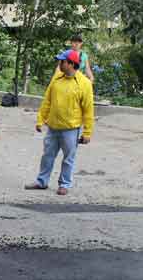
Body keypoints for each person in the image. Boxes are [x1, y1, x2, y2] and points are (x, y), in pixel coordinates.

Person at [25, 49, 95, 196]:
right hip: (52, 127)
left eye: (62, 61)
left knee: (68, 158)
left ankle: (64, 184)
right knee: (47, 155)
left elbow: (88, 110)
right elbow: (47, 101)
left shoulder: (84, 84)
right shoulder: (56, 79)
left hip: (71, 129)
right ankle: (41, 181)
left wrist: (87, 132)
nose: (59, 63)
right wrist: (40, 119)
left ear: (71, 64)